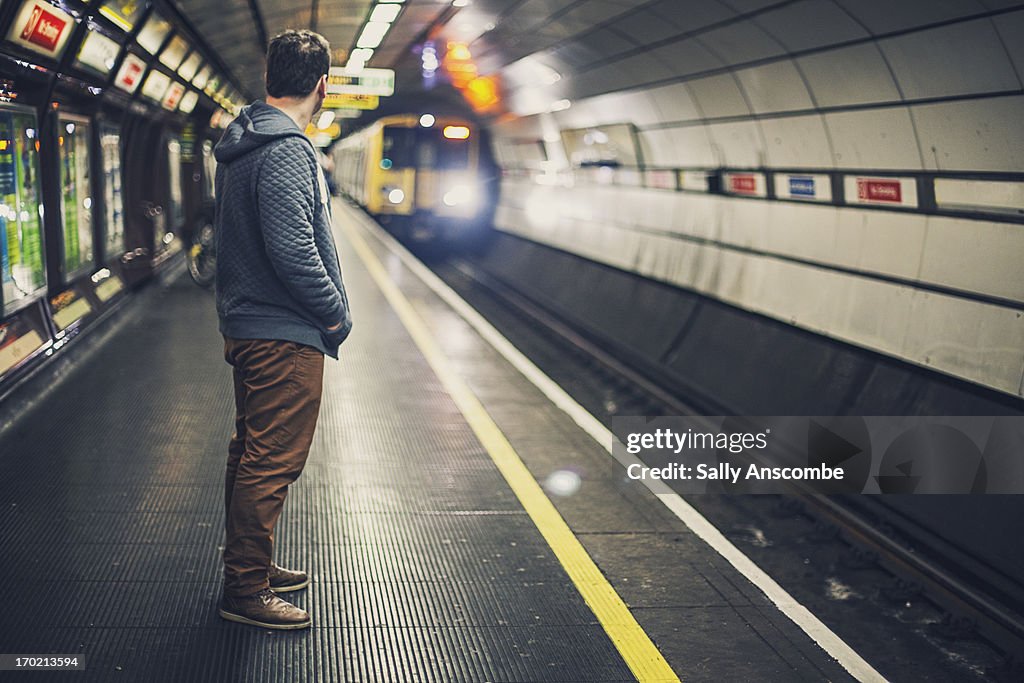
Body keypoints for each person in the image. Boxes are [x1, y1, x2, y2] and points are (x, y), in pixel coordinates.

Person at [212, 29, 352, 630]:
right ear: (321, 85)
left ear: (270, 77)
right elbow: (295, 252)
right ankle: (245, 590)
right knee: (271, 462)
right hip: (284, 332)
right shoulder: (289, 149)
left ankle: (252, 568)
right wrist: (333, 314)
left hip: (249, 324)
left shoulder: (242, 143)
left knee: (249, 454)